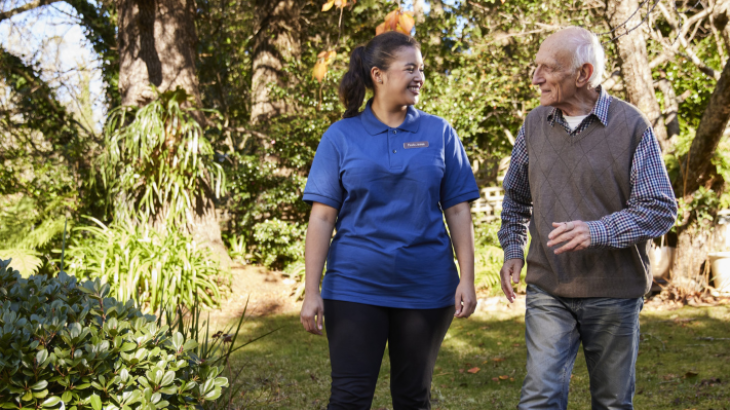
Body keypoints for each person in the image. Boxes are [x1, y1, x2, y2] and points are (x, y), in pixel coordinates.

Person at [498, 26, 677, 410]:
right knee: (540, 398)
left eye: (548, 69)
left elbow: (660, 208)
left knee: (612, 403)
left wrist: (597, 230)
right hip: (549, 287)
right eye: (536, 67)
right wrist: (513, 248)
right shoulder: (534, 125)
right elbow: (515, 196)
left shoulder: (631, 126)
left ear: (583, 74)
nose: (536, 78)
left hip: (614, 292)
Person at [299, 31, 480, 410]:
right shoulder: (340, 136)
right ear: (378, 74)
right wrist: (311, 290)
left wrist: (467, 278)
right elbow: (322, 217)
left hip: (426, 286)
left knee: (413, 396)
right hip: (354, 285)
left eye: (422, 69)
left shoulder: (439, 132)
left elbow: (458, 209)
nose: (420, 77)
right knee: (349, 397)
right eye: (410, 68)